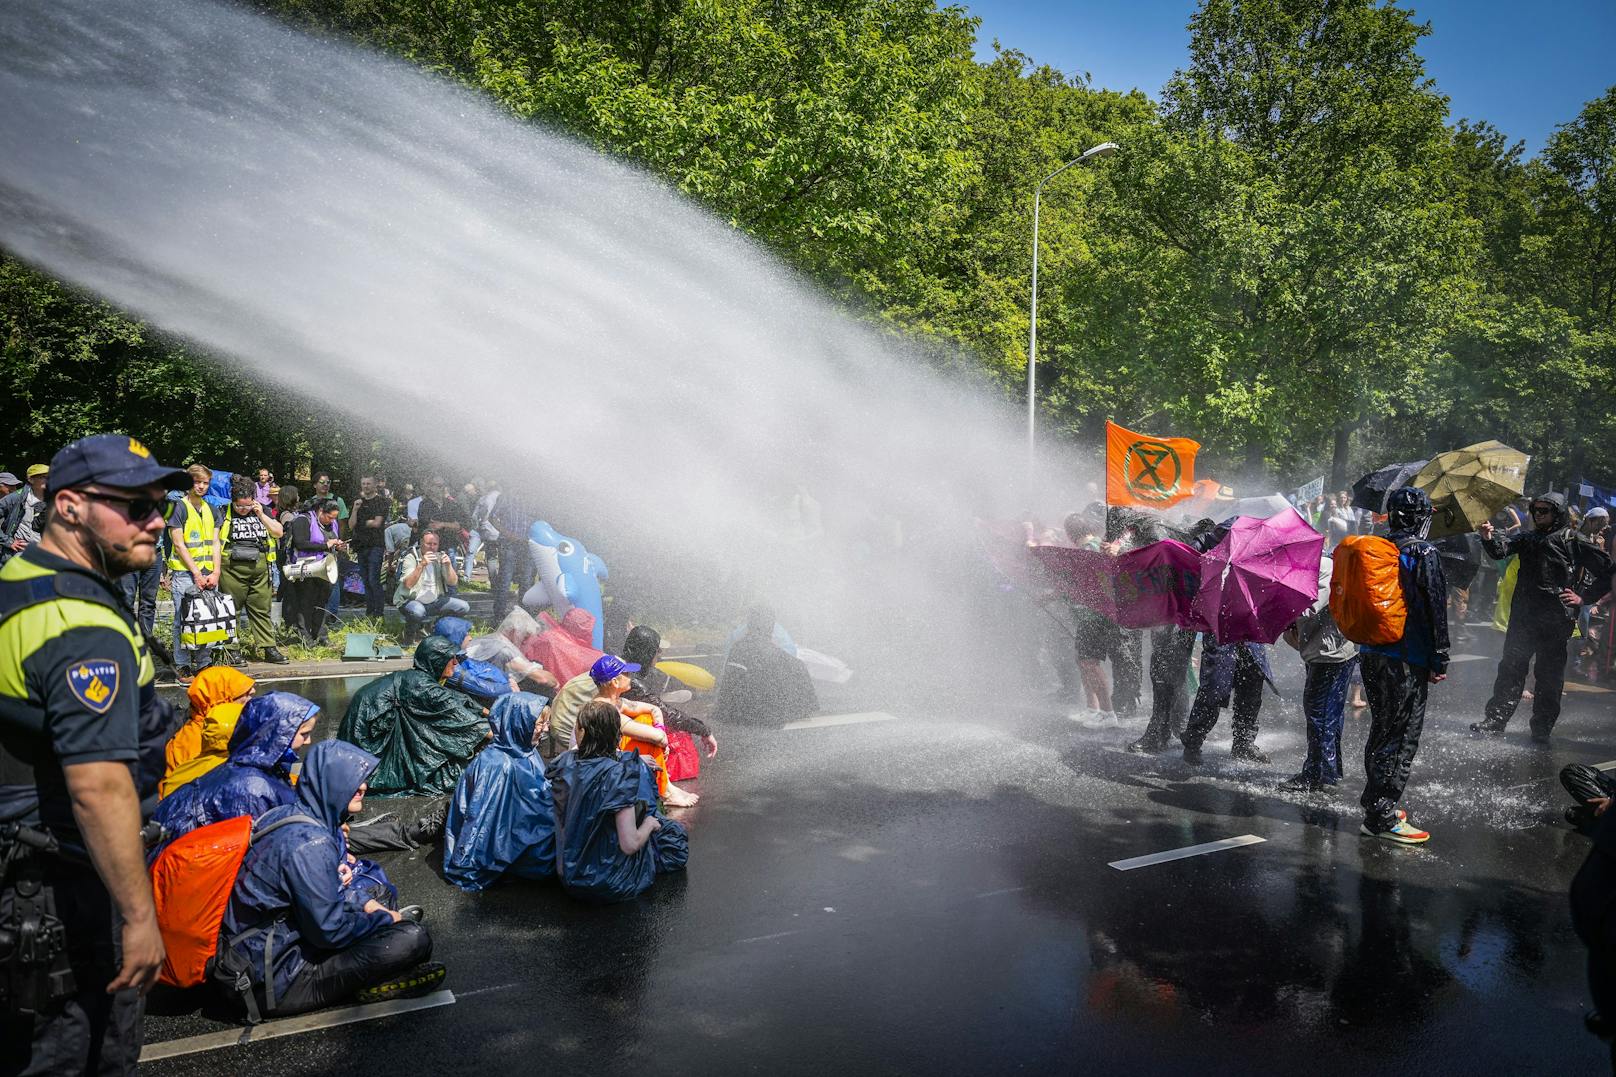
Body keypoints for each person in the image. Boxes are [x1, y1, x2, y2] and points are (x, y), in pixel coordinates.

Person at [0, 434, 190, 1076]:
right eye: (135, 507)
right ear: (72, 506)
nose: (157, 520)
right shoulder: (82, 624)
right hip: (66, 894)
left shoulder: (21, 582)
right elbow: (99, 786)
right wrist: (139, 917)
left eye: (158, 504)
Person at [216, 740, 442, 1020]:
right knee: (414, 938)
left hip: (266, 947)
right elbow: (329, 931)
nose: (364, 788)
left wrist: (370, 906)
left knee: (377, 895)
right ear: (331, 784)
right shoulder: (310, 844)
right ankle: (368, 983)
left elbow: (327, 890)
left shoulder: (291, 814)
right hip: (274, 980)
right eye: (353, 781)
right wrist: (387, 921)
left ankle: (372, 959)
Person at [1356, 487, 1448, 844]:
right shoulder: (1422, 551)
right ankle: (1381, 815)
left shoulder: (1378, 546)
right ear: (1422, 517)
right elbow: (1434, 607)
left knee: (1382, 729)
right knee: (1401, 736)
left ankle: (1375, 804)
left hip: (1371, 653)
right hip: (1406, 659)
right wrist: (1440, 657)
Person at [1474, 493, 1596, 742]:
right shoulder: (1528, 538)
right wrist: (1488, 537)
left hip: (1555, 621)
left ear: (1558, 513)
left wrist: (1583, 597)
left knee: (1549, 677)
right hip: (1524, 618)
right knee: (1510, 670)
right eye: (1535, 510)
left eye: (1544, 511)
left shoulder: (1573, 540)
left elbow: (1604, 568)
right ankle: (1495, 720)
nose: (1538, 515)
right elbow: (1501, 549)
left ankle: (1542, 728)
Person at [548, 700, 689, 903]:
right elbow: (629, 844)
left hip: (569, 875)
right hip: (611, 883)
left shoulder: (564, 763)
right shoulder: (619, 776)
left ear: (580, 731)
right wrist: (649, 824)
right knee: (673, 836)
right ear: (617, 734)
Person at [152, 693, 318, 851]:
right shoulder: (251, 786)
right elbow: (255, 850)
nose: (309, 741)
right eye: (304, 734)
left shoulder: (254, 765)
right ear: (280, 733)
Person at [337, 636, 490, 796]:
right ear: (436, 660)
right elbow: (467, 721)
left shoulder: (417, 678)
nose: (456, 663)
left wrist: (489, 713)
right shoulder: (423, 686)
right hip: (367, 748)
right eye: (452, 658)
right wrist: (505, 734)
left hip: (360, 739)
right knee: (452, 773)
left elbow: (456, 698)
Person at [442, 693, 558, 892]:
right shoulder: (497, 766)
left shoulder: (523, 749)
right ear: (518, 723)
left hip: (518, 827)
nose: (544, 730)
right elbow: (480, 827)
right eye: (539, 724)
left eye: (546, 723)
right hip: (511, 842)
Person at [1279, 555, 1358, 792]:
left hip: (1330, 653)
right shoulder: (1318, 566)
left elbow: (1310, 607)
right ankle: (1330, 770)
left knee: (1319, 713)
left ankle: (1319, 774)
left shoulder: (1324, 567)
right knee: (1329, 713)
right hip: (1328, 649)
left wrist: (1280, 605)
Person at [622, 625, 720, 761]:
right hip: (613, 744)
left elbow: (664, 678)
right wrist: (704, 730)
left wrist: (696, 693)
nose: (660, 654)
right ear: (647, 653)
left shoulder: (626, 667)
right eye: (657, 650)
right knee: (654, 721)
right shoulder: (629, 682)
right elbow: (669, 715)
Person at [219, 476, 289, 664]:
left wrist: (261, 515)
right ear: (232, 501)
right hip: (231, 568)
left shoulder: (262, 510)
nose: (243, 510)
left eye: (247, 506)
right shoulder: (223, 512)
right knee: (231, 610)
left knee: (261, 609)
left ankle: (268, 648)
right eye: (239, 506)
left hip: (260, 567)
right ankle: (232, 650)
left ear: (254, 500)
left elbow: (278, 532)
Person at [711, 604, 818, 727]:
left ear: (749, 625)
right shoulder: (792, 662)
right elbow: (809, 705)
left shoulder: (739, 649)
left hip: (742, 721)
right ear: (772, 627)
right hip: (773, 722)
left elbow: (728, 691)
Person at [166, 464, 224, 678]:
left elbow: (216, 542)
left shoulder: (212, 509)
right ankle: (182, 663)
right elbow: (179, 544)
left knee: (207, 618)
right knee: (183, 619)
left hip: (209, 573)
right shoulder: (178, 507)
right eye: (196, 482)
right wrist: (197, 574)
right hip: (185, 573)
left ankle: (203, 662)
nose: (201, 486)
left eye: (205, 483)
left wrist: (216, 571)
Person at [162, 666, 255, 795]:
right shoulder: (198, 743)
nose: (252, 691)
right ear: (221, 701)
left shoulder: (217, 730)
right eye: (243, 691)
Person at [283, 498, 346, 645]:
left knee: (321, 602)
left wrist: (337, 546)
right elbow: (300, 543)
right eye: (329, 517)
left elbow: (331, 542)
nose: (331, 521)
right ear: (320, 511)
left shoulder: (332, 523)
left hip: (325, 568)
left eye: (334, 518)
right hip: (306, 568)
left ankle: (320, 635)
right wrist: (325, 545)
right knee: (305, 602)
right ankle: (305, 637)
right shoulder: (303, 520)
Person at [394, 530, 470, 645]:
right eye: (428, 544)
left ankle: (438, 631)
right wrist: (422, 565)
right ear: (421, 543)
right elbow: (408, 584)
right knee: (417, 611)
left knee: (463, 607)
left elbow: (452, 583)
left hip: (434, 601)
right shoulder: (412, 557)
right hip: (410, 600)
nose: (432, 547)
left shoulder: (439, 557)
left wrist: (449, 566)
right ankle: (409, 638)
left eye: (435, 544)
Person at [349, 476, 392, 620]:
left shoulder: (381, 501)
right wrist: (355, 510)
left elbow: (377, 523)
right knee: (365, 580)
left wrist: (360, 524)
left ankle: (378, 613)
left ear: (374, 486)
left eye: (368, 484)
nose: (366, 486)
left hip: (375, 545)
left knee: (374, 579)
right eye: (363, 484)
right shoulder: (358, 502)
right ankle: (370, 612)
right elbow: (351, 525)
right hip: (361, 545)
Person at [0, 464, 50, 566]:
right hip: (17, 556)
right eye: (43, 477)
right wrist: (8, 541)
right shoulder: (15, 498)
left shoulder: (53, 499)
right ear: (30, 480)